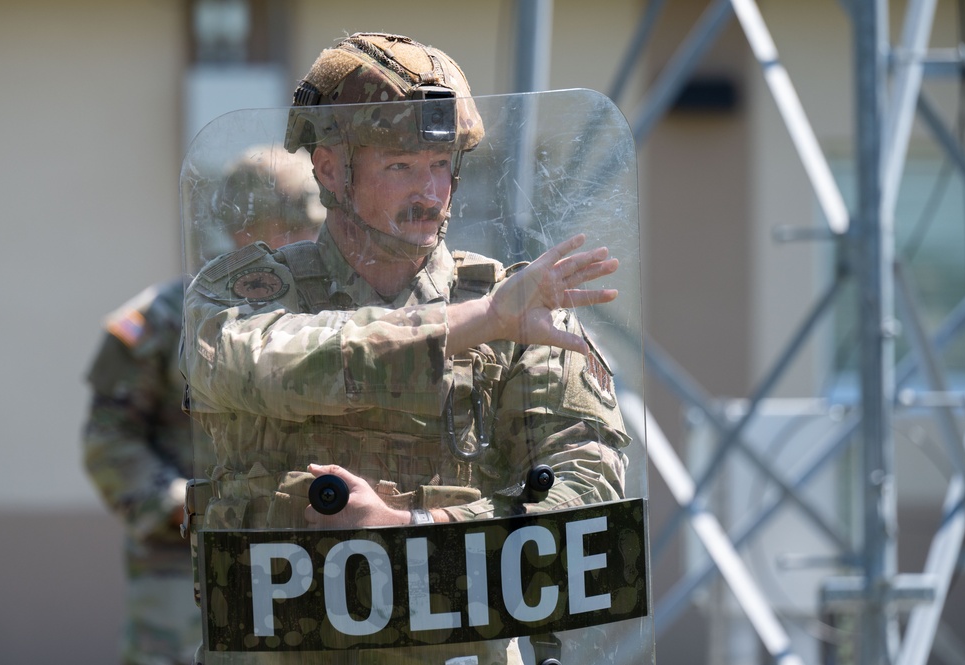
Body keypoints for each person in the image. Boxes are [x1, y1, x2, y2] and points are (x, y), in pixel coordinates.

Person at [182, 32, 631, 664]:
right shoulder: (245, 295)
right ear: (331, 168)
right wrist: (473, 323)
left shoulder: (522, 310)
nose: (432, 194)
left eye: (442, 164)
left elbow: (588, 496)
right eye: (401, 166)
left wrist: (413, 533)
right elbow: (260, 366)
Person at [82, 144, 323, 665]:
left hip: (304, 552)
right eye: (282, 225)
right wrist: (181, 507)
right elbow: (109, 438)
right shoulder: (163, 320)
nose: (300, 242)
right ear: (241, 229)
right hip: (186, 563)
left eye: (307, 228)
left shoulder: (330, 321)